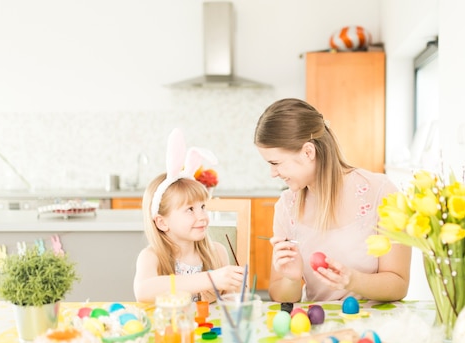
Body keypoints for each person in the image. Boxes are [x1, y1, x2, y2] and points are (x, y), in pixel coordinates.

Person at [253, 98, 411, 302]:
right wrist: (291, 280)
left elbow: (399, 285)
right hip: (319, 328)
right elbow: (281, 296)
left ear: (308, 152)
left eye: (276, 163)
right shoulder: (286, 206)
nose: (273, 173)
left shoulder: (382, 192)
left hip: (374, 326)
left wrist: (353, 281)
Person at [134, 129, 245, 303]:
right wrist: (208, 279)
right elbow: (143, 292)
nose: (202, 216)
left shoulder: (217, 253)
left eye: (202, 206)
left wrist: (232, 290)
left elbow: (230, 303)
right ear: (162, 222)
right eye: (190, 210)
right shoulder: (151, 256)